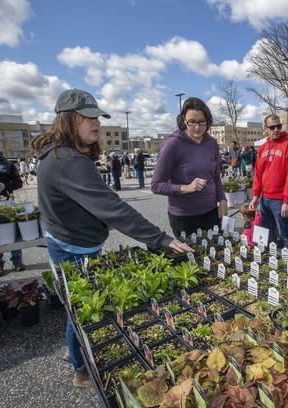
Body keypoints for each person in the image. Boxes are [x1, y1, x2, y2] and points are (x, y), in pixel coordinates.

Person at [31, 88, 191, 390]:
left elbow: (90, 202)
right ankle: (80, 370)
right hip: (74, 248)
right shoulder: (70, 161)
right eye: (89, 118)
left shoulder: (55, 152)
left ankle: (74, 351)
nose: (97, 124)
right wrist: (160, 238)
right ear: (69, 120)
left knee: (75, 308)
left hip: (62, 238)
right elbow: (112, 207)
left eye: (98, 117)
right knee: (81, 312)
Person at [151, 97, 228, 237]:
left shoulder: (212, 143)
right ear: (183, 120)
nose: (197, 127)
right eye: (191, 122)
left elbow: (216, 177)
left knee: (216, 256)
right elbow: (156, 185)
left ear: (208, 120)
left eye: (202, 122)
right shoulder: (173, 145)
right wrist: (186, 188)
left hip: (211, 213)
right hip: (184, 217)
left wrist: (222, 200)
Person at [249, 114, 288, 260]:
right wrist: (255, 196)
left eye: (279, 126)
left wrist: (287, 201)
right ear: (265, 128)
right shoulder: (263, 148)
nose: (276, 129)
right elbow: (258, 173)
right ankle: (272, 263)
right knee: (269, 232)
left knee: (285, 234)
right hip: (265, 198)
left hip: (280, 200)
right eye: (272, 127)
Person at [0, 151, 25, 276]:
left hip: (6, 204)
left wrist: (5, 186)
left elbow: (19, 183)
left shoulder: (7, 164)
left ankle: (17, 259)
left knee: (12, 232)